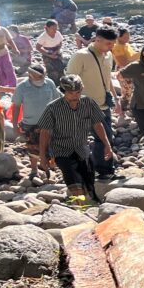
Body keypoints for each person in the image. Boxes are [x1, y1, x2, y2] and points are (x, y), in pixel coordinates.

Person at [37, 74, 112, 202]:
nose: (75, 96)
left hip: (82, 148)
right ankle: (80, 206)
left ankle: (90, 203)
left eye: (78, 92)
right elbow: (45, 132)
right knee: (72, 178)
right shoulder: (53, 108)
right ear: (63, 92)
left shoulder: (89, 103)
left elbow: (97, 124)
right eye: (71, 93)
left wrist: (107, 144)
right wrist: (43, 156)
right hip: (61, 150)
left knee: (88, 180)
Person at [66, 27, 120, 180]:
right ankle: (104, 172)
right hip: (87, 106)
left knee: (105, 137)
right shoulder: (81, 56)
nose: (111, 47)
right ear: (97, 40)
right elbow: (69, 82)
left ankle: (103, 169)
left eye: (113, 44)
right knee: (103, 137)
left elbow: (108, 79)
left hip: (104, 103)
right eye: (109, 44)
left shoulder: (108, 55)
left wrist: (116, 98)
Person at [11, 64, 60, 178]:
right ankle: (34, 169)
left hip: (48, 122)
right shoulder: (22, 87)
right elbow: (16, 106)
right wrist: (14, 125)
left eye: (43, 76)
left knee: (50, 145)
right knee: (32, 147)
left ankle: (49, 165)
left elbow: (56, 101)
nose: (41, 79)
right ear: (30, 75)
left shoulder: (49, 83)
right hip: (30, 124)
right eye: (38, 77)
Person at [113, 27, 136, 120]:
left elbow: (132, 55)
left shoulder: (126, 45)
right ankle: (122, 111)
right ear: (119, 37)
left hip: (131, 69)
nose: (128, 38)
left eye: (128, 36)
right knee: (126, 91)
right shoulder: (117, 47)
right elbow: (123, 62)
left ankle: (129, 107)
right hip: (124, 70)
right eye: (125, 37)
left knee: (130, 89)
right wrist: (137, 57)